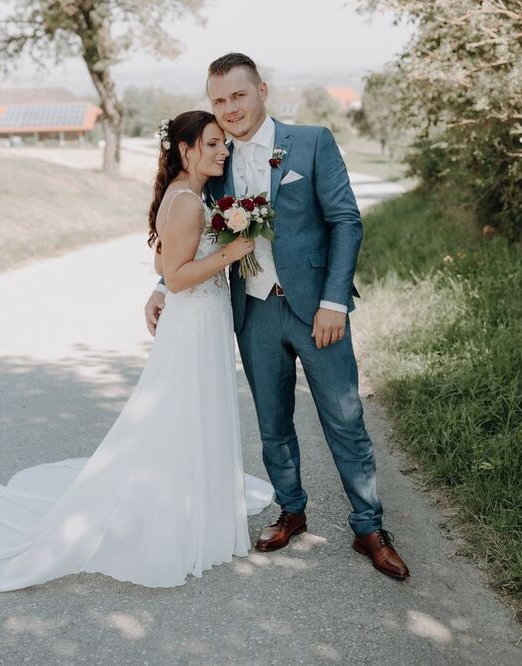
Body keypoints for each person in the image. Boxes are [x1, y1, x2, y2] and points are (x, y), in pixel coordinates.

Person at [0, 110, 273, 598]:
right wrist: (230, 253)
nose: (223, 151)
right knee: (183, 411)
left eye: (223, 143)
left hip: (200, 319)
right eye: (213, 144)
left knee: (187, 411)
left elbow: (162, 259)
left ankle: (193, 505)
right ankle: (182, 515)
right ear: (186, 150)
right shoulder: (186, 202)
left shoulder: (187, 195)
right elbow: (174, 277)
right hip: (193, 322)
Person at [145, 53, 409, 580]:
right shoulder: (216, 159)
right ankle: (291, 510)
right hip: (255, 310)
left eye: (238, 95)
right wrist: (161, 286)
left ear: (261, 91)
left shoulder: (312, 142)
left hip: (317, 310)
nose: (229, 108)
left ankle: (369, 527)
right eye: (219, 100)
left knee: (344, 418)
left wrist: (334, 302)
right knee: (272, 422)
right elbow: (193, 238)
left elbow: (346, 221)